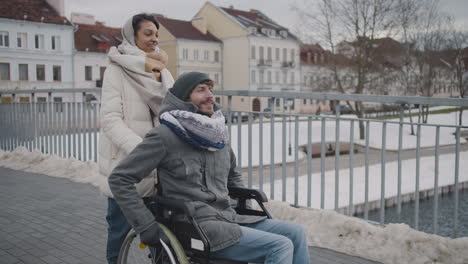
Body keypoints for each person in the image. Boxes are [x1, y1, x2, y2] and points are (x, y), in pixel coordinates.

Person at [108, 72, 310, 264]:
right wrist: (145, 224)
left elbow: (233, 177)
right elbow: (119, 179)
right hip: (196, 225)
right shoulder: (164, 136)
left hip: (228, 217)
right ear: (183, 98)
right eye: (201, 90)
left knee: (296, 233)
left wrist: (243, 205)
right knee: (279, 246)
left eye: (211, 89)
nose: (210, 96)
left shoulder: (217, 134)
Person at [98, 13, 174, 264]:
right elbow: (109, 120)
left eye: (156, 34)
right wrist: (142, 151)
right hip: (128, 169)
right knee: (120, 236)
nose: (155, 39)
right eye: (148, 33)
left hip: (159, 172)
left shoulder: (162, 71)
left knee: (163, 239)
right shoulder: (116, 70)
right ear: (133, 36)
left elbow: (172, 114)